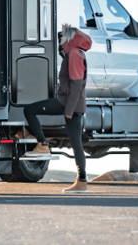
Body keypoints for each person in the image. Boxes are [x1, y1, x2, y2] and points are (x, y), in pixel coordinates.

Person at [21, 24, 92, 193]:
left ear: (69, 38)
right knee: (76, 144)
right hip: (72, 104)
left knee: (29, 110)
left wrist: (68, 110)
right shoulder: (73, 53)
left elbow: (76, 85)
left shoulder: (74, 54)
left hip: (68, 103)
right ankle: (82, 182)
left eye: (61, 37)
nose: (59, 41)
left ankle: (43, 144)